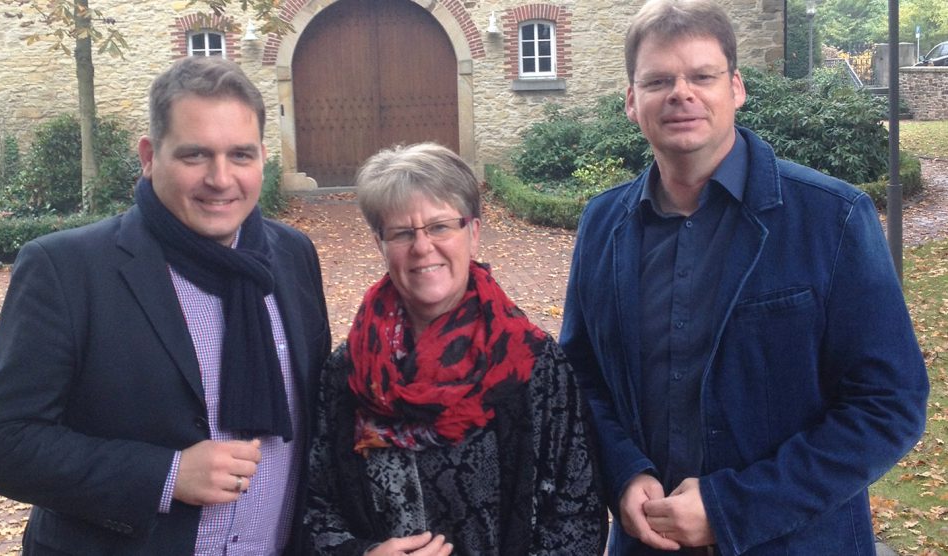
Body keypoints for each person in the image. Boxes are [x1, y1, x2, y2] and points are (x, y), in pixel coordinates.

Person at [559, 0, 930, 554]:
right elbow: (581, 376)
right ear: (632, 102)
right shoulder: (602, 224)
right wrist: (623, 472)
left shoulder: (832, 218)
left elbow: (889, 404)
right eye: (659, 80)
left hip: (797, 542)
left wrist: (732, 508)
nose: (681, 92)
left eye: (701, 76)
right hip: (646, 542)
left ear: (736, 89)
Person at [0, 56, 331, 554]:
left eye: (240, 155)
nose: (221, 179)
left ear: (263, 156)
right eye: (195, 155)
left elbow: (316, 428)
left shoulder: (291, 257)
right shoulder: (68, 268)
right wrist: (166, 474)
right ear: (150, 155)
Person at [303, 142, 607, 555]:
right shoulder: (348, 371)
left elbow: (577, 512)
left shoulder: (531, 362)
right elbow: (318, 505)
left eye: (440, 226)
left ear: (474, 233)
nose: (423, 247)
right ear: (381, 244)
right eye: (403, 233)